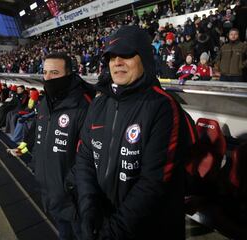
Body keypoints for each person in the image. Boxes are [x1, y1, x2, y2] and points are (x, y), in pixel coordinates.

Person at [75, 26, 195, 240]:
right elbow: (84, 156)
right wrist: (88, 208)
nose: (117, 62)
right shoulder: (100, 102)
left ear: (145, 58)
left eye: (127, 54)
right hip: (104, 223)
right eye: (111, 56)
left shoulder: (163, 108)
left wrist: (111, 233)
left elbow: (153, 184)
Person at [11, 53, 94, 240]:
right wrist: (25, 149)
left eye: (54, 73)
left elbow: (92, 155)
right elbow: (37, 132)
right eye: (45, 72)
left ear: (69, 74)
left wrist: (69, 185)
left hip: (75, 200)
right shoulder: (45, 102)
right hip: (50, 193)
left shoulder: (85, 105)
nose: (47, 78)